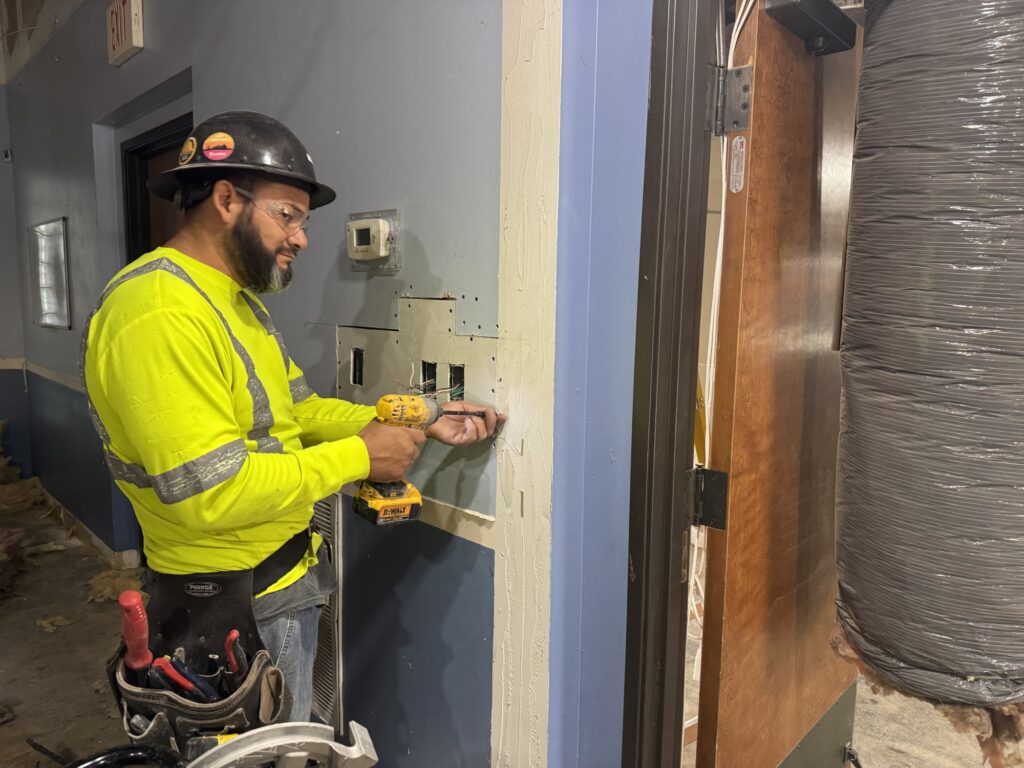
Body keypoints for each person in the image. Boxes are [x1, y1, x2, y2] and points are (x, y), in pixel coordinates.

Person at [82, 110, 500, 721]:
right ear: (226, 199)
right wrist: (362, 456)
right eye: (288, 216)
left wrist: (418, 419)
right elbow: (212, 491)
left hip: (277, 585)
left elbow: (298, 411)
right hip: (227, 608)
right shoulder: (158, 312)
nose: (301, 238)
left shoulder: (235, 303)